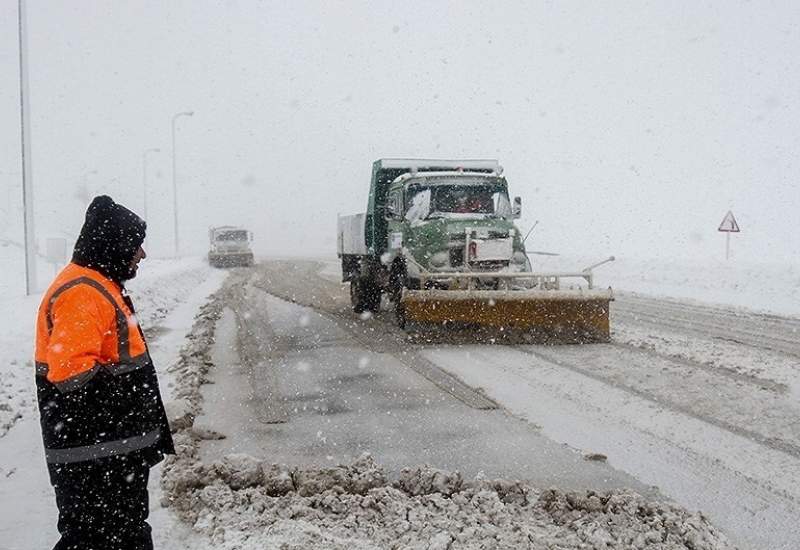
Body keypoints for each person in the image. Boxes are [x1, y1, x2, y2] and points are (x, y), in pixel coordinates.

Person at [34, 195, 174, 550]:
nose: (142, 254)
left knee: (113, 538)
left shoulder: (99, 285)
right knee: (99, 540)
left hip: (106, 458)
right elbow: (71, 376)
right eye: (136, 244)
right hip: (95, 463)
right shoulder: (82, 292)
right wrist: (128, 410)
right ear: (114, 244)